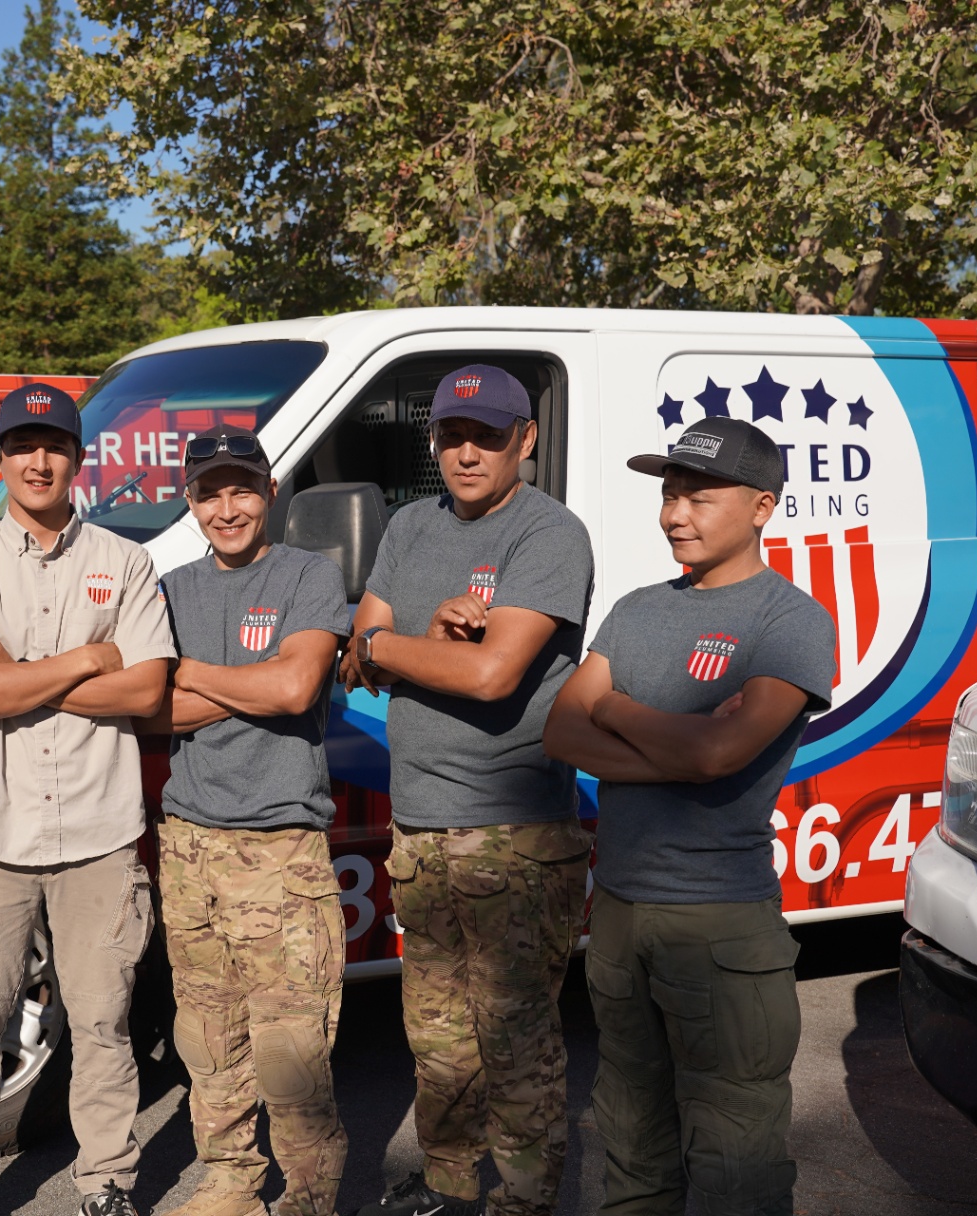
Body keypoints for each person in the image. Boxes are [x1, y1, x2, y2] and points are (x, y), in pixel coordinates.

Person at [544, 417, 834, 1216]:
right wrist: (682, 744)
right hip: (620, 915)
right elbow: (562, 731)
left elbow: (720, 753)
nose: (675, 514)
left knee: (737, 1166)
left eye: (699, 497)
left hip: (720, 926)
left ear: (763, 506)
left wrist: (615, 707)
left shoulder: (790, 620)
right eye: (670, 495)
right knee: (631, 1147)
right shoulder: (636, 610)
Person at [340, 366, 595, 1216]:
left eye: (488, 435)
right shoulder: (410, 525)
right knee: (439, 1042)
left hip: (513, 836)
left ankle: (522, 1203)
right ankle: (447, 1189)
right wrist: (416, 642)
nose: (468, 452)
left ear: (526, 439)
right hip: (419, 827)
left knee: (516, 1045)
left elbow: (490, 675)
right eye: (453, 435)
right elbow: (352, 660)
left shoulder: (549, 534)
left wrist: (389, 647)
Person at [0, 382, 176, 1216]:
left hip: (99, 832)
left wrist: (18, 673)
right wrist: (83, 660)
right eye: (23, 446)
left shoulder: (125, 562)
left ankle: (106, 1182)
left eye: (56, 446)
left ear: (79, 458)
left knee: (104, 1025)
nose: (40, 461)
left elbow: (144, 691)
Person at [135, 430, 351, 1216]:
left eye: (242, 490)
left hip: (279, 850)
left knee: (291, 1048)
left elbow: (295, 689)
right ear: (189, 501)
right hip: (189, 846)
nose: (227, 509)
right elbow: (149, 710)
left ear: (270, 492)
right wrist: (249, 681)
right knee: (208, 1037)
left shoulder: (307, 576)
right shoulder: (168, 591)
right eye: (209, 493)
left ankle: (309, 1194)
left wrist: (191, 673)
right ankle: (230, 1178)